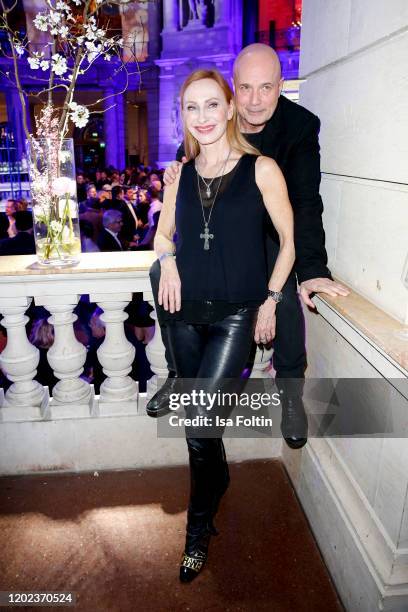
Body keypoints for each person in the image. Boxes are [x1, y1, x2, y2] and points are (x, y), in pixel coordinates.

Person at [148, 43, 349, 448]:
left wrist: (312, 271)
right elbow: (193, 157)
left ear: (280, 87)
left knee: (287, 295)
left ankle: (290, 393)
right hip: (224, 230)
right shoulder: (217, 115)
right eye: (245, 89)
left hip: (273, 233)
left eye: (266, 88)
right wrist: (175, 171)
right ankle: (176, 372)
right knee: (163, 273)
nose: (255, 101)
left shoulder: (300, 127)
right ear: (232, 94)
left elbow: (307, 203)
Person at [153, 68, 295, 582]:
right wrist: (167, 260)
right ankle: (220, 473)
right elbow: (163, 236)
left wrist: (272, 300)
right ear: (183, 116)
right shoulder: (182, 174)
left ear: (231, 108)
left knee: (195, 424)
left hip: (237, 317)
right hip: (186, 315)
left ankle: (196, 532)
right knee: (204, 425)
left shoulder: (263, 170)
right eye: (192, 107)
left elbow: (288, 241)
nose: (203, 117)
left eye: (212, 105)